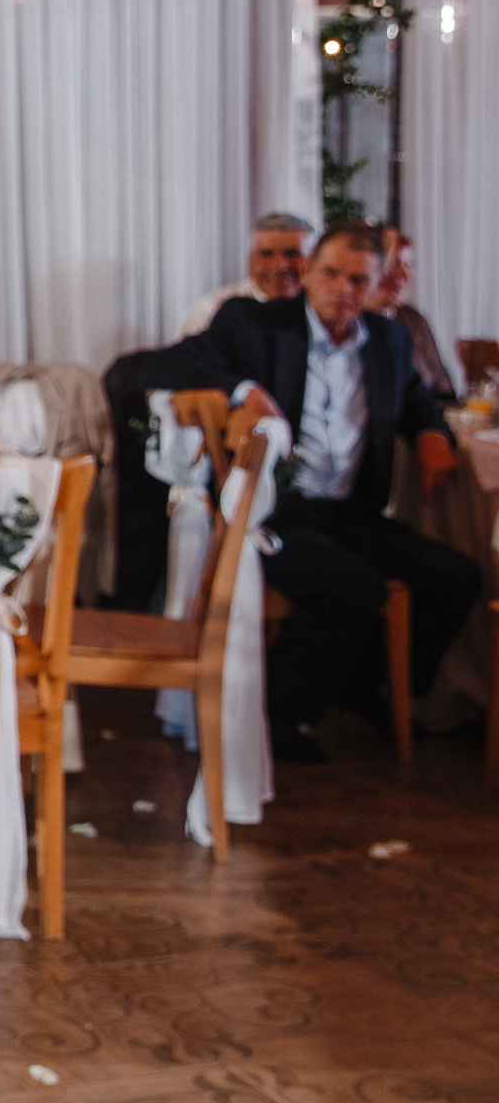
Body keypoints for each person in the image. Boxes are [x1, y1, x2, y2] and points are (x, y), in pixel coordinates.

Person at [146, 220, 478, 764]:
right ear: (309, 272)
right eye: (330, 274)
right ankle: (275, 719)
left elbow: (417, 395)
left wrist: (432, 432)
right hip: (271, 514)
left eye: (358, 280)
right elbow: (160, 364)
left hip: (349, 512)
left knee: (455, 577)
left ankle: (356, 683)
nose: (343, 290)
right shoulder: (255, 324)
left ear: (374, 285)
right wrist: (244, 388)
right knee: (354, 587)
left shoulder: (388, 338)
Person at [176, 211, 311, 338]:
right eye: (267, 254)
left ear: (313, 261)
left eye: (293, 254)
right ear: (250, 261)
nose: (280, 266)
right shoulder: (209, 312)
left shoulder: (323, 313)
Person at [370, 226, 458, 402]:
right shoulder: (354, 324)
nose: (403, 274)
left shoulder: (413, 319)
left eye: (409, 264)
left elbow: (443, 387)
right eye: (394, 264)